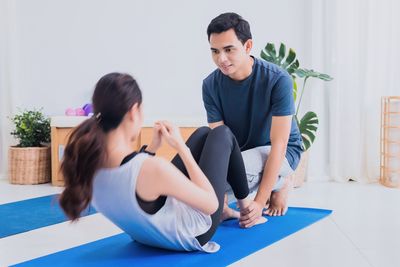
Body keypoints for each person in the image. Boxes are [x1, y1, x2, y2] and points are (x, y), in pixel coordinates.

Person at [59, 72, 265, 253]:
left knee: (203, 133)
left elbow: (132, 182)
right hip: (193, 233)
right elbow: (211, 205)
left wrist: (152, 149)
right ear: (133, 111)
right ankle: (246, 209)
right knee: (222, 133)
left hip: (146, 232)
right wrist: (181, 148)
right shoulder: (151, 169)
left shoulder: (87, 163)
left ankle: (232, 211)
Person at [202, 12, 303, 228]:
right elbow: (220, 143)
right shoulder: (210, 85)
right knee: (204, 184)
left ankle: (282, 181)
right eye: (215, 51)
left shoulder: (277, 79)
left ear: (248, 46)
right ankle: (269, 184)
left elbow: (279, 145)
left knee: (221, 182)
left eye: (229, 49)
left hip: (280, 151)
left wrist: (256, 203)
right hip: (241, 154)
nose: (221, 59)